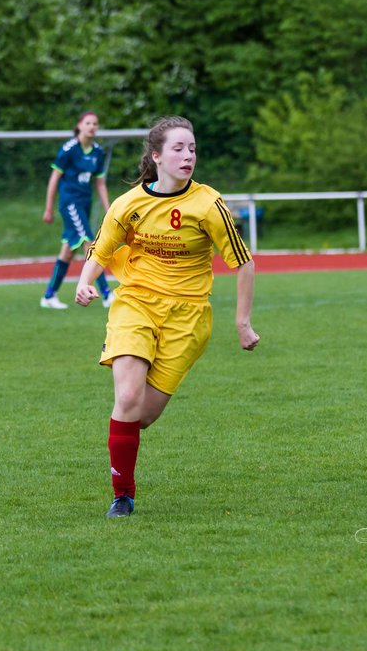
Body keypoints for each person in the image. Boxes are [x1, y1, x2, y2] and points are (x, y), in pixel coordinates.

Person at [75, 116, 259, 518]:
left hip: (188, 318)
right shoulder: (128, 205)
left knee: (140, 416)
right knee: (126, 397)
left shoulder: (209, 204)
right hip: (136, 303)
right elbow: (101, 248)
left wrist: (242, 323)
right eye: (178, 148)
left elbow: (244, 264)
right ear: (156, 156)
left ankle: (123, 462)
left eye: (192, 148)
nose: (188, 155)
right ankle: (122, 495)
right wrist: (85, 281)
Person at [40, 111, 114, 309]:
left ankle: (49, 295)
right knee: (89, 242)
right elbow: (54, 178)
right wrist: (48, 208)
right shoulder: (69, 149)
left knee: (68, 252)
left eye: (95, 124)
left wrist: (109, 209)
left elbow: (100, 183)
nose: (92, 126)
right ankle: (107, 293)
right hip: (70, 203)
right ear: (79, 125)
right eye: (88, 123)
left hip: (85, 203)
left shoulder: (97, 152)